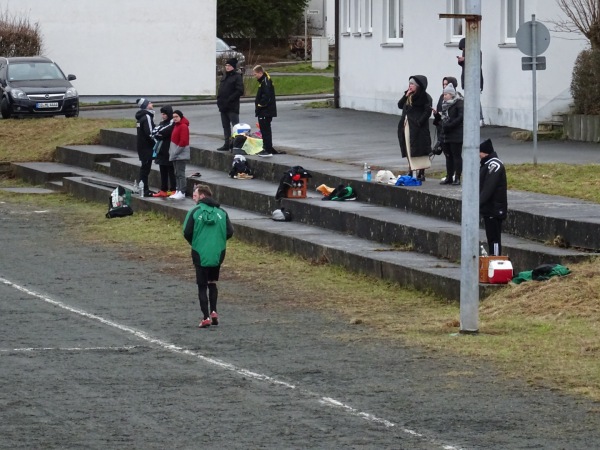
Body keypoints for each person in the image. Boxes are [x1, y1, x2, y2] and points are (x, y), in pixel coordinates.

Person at [183, 184, 234, 329]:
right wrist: (217, 242)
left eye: (195, 194)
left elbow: (187, 232)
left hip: (200, 253)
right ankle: (214, 312)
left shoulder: (194, 212)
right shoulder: (222, 212)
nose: (193, 196)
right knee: (212, 283)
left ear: (203, 196)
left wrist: (196, 242)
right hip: (218, 253)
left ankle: (205, 317)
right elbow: (230, 232)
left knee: (201, 286)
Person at [397, 75, 433, 181]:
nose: (410, 86)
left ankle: (421, 172)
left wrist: (419, 122)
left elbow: (427, 112)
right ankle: (411, 170)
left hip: (419, 128)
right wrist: (405, 96)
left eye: (412, 84)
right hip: (407, 126)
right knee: (409, 147)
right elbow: (400, 105)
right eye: (409, 84)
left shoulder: (426, 97)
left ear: (418, 86)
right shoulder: (408, 95)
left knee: (420, 149)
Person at [479, 139, 508, 256]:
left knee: (494, 238)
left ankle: (495, 259)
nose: (478, 155)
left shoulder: (494, 164)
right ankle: (492, 259)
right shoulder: (487, 164)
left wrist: (478, 202)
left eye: (480, 152)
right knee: (491, 237)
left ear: (485, 152)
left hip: (494, 208)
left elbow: (488, 187)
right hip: (489, 208)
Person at [216, 58, 244, 151]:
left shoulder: (237, 76)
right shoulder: (224, 76)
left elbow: (240, 90)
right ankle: (227, 144)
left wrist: (230, 99)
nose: (227, 67)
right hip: (223, 106)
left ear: (233, 67)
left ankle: (236, 144)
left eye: (229, 66)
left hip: (232, 107)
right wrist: (219, 100)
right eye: (226, 65)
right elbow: (221, 89)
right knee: (225, 126)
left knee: (235, 126)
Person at [439, 82, 464, 185]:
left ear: (452, 94)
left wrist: (450, 125)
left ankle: (457, 176)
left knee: (456, 156)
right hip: (446, 134)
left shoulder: (459, 103)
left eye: (446, 94)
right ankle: (449, 176)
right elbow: (442, 118)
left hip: (456, 133)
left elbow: (460, 117)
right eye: (444, 94)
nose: (444, 96)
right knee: (448, 156)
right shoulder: (444, 105)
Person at [457, 37, 485, 126]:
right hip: (467, 80)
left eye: (463, 48)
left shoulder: (476, 51)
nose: (463, 50)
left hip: (475, 80)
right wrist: (461, 61)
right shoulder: (466, 53)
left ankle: (480, 118)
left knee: (475, 100)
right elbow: (465, 67)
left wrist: (464, 59)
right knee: (469, 100)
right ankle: (472, 118)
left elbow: (476, 62)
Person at [253, 64, 278, 157]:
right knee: (264, 130)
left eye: (255, 74)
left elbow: (266, 97)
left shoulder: (266, 81)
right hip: (264, 111)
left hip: (265, 111)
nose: (254, 76)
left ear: (260, 73)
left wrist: (260, 105)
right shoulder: (263, 80)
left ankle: (267, 149)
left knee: (265, 130)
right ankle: (267, 147)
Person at [151, 105, 176, 197]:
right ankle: (163, 189)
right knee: (163, 170)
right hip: (161, 150)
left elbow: (163, 132)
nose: (163, 116)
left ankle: (173, 189)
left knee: (171, 170)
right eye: (162, 114)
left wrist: (159, 134)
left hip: (168, 150)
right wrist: (159, 134)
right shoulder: (162, 123)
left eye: (164, 114)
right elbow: (154, 132)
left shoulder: (171, 123)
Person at [135, 98, 155, 197]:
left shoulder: (141, 117)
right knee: (145, 169)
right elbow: (150, 133)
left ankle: (143, 188)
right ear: (146, 106)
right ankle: (145, 190)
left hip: (142, 147)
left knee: (144, 169)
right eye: (149, 103)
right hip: (146, 148)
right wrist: (156, 143)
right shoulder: (147, 116)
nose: (152, 103)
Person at [168, 110, 190, 200]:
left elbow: (183, 141)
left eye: (176, 116)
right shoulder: (176, 126)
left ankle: (182, 191)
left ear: (181, 116)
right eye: (173, 117)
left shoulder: (183, 126)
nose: (175, 118)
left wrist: (175, 152)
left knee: (180, 173)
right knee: (176, 173)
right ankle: (178, 189)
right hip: (175, 154)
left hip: (180, 154)